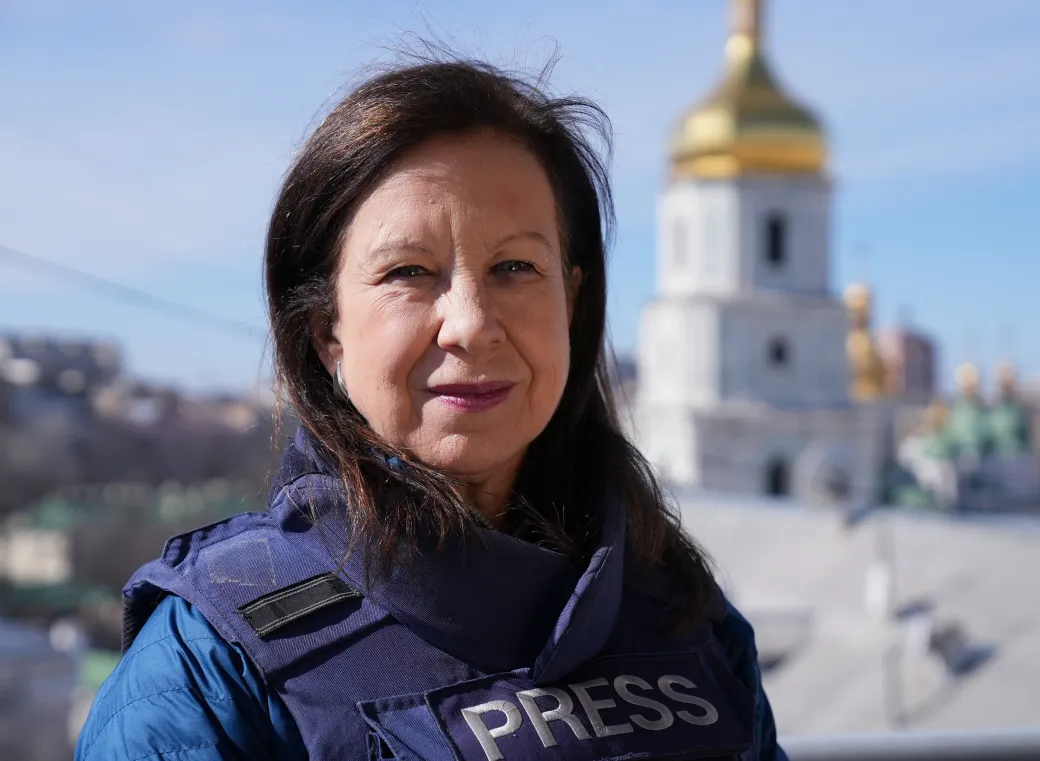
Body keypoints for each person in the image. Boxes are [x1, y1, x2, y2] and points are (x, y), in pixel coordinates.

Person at [75, 57, 786, 761]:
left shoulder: (684, 613)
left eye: (515, 268)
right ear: (326, 329)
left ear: (571, 301)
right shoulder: (210, 668)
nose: (471, 322)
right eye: (407, 272)